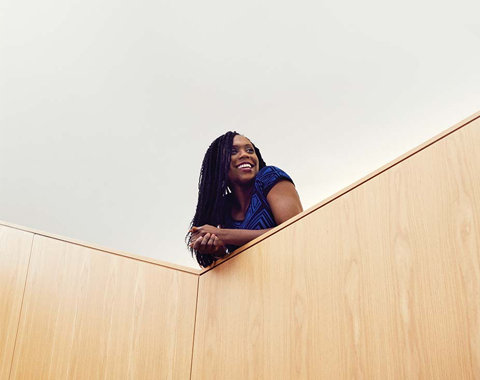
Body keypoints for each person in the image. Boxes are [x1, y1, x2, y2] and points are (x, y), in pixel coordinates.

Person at [187, 131, 303, 267]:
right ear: (218, 165)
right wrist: (218, 251)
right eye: (233, 151)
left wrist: (222, 235)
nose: (245, 154)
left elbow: (295, 230)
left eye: (249, 150)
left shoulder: (269, 177)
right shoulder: (225, 207)